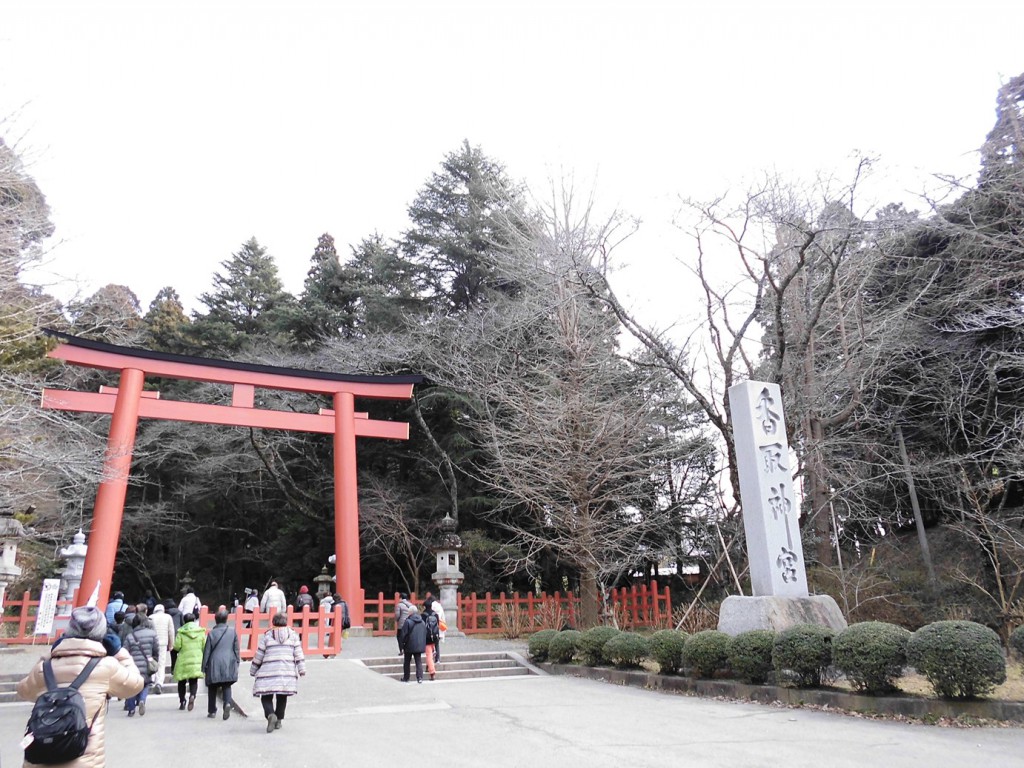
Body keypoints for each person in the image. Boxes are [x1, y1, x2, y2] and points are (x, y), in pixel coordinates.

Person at [18, 606, 143, 767]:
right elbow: (135, 685)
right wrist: (121, 654)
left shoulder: (45, 667)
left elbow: (23, 691)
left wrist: (46, 657)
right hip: (84, 761)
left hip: (40, 758)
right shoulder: (106, 666)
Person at [250, 612, 305, 733]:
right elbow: (298, 653)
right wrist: (301, 669)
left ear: (273, 623)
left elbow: (259, 655)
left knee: (266, 696)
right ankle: (278, 720)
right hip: (286, 671)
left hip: (268, 671)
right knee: (282, 696)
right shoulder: (293, 636)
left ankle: (270, 715)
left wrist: (253, 669)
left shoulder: (267, 636)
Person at [202, 607, 240, 720]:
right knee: (226, 685)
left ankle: (212, 710)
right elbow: (236, 649)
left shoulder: (212, 633)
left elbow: (207, 651)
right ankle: (227, 703)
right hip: (228, 661)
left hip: (214, 662)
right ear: (226, 619)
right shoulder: (232, 632)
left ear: (215, 620)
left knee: (212, 687)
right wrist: (237, 661)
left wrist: (204, 666)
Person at [124, 611, 160, 716]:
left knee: (132, 686)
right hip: (146, 663)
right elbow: (156, 650)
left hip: (133, 665)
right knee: (146, 684)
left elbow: (125, 651)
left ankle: (131, 709)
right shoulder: (152, 634)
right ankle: (142, 700)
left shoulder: (130, 636)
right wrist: (154, 660)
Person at [173, 611, 206, 711]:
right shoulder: (200, 632)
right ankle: (192, 695)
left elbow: (177, 646)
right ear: (194, 620)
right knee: (193, 680)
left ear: (184, 621)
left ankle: (182, 701)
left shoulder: (181, 632)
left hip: (183, 660)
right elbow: (204, 646)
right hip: (196, 658)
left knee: (181, 682)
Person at [150, 602, 175, 694]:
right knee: (161, 662)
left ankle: (152, 679)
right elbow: (171, 631)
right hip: (163, 643)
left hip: (152, 642)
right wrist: (171, 644)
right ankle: (159, 682)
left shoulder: (151, 617)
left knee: (152, 661)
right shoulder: (168, 617)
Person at [398, 605, 428, 683]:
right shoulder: (422, 621)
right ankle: (420, 678)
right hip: (419, 645)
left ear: (410, 612)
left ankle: (406, 677)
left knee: (407, 661)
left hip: (409, 644)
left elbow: (403, 634)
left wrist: (402, 645)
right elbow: (425, 632)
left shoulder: (408, 621)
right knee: (418, 661)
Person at [424, 590, 446, 662]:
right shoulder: (439, 605)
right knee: (436, 644)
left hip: (432, 627)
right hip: (439, 626)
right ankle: (438, 658)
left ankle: (432, 658)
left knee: (431, 644)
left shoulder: (432, 605)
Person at [421, 599, 441, 681]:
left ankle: (432, 672)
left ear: (425, 606)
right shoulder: (435, 614)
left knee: (429, 654)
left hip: (427, 637)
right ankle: (428, 666)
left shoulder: (423, 615)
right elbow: (438, 625)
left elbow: (422, 627)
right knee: (431, 652)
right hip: (435, 636)